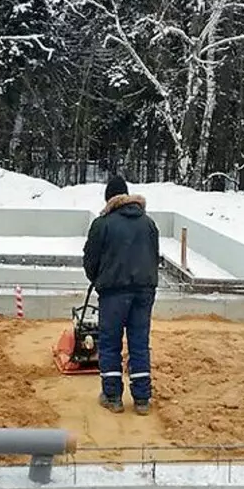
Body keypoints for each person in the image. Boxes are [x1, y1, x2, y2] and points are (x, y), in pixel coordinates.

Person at [82, 175, 160, 415]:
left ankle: (113, 396)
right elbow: (154, 257)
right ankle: (142, 400)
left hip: (114, 291)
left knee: (109, 343)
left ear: (110, 199)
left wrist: (98, 278)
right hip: (143, 292)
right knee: (139, 343)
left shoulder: (102, 224)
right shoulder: (148, 223)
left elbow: (90, 259)